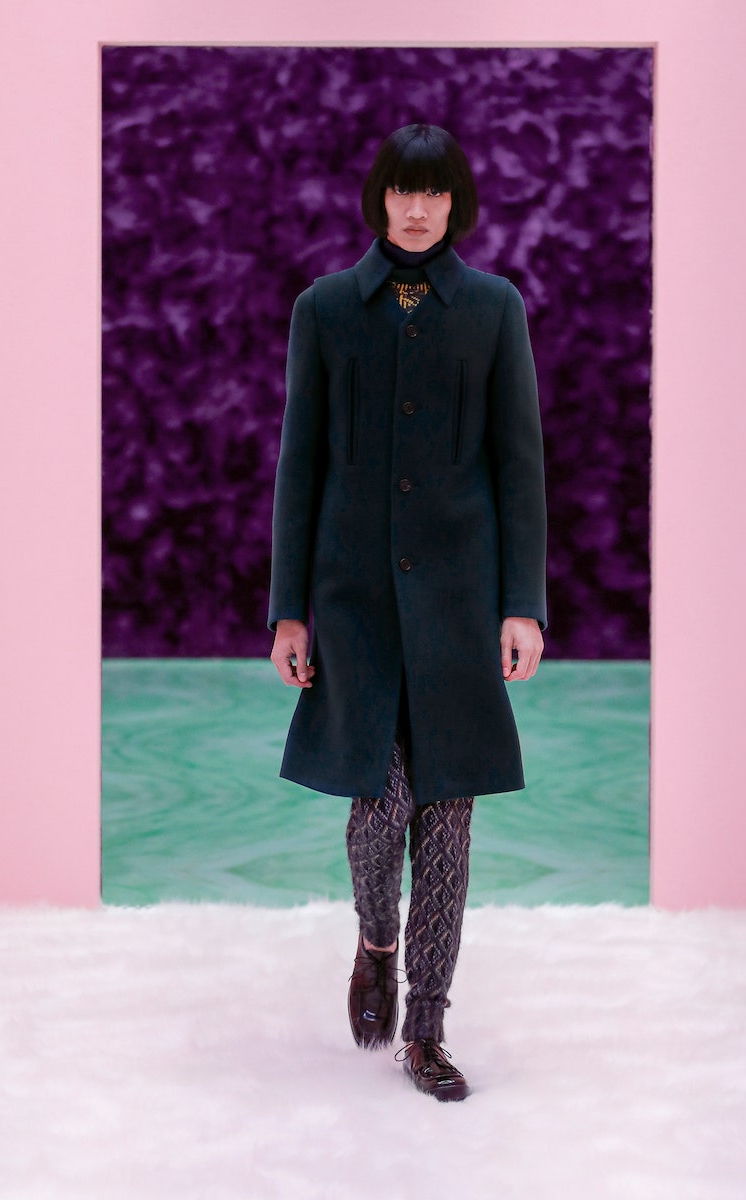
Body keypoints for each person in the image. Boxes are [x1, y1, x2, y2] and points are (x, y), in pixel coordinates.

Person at [269, 124, 546, 1102]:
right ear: (379, 199)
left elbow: (518, 464)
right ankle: (376, 941)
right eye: (402, 191)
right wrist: (288, 611)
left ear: (455, 202)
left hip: (461, 602)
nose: (417, 210)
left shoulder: (494, 309)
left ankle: (426, 1028)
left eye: (434, 193)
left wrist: (521, 604)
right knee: (378, 807)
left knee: (449, 813)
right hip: (352, 599)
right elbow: (299, 463)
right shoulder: (324, 310)